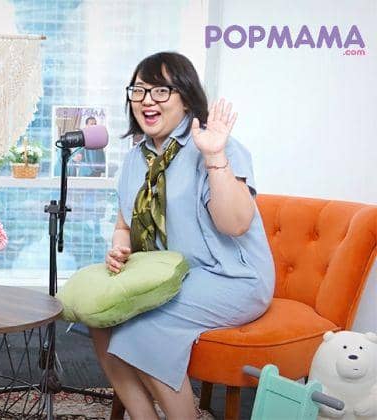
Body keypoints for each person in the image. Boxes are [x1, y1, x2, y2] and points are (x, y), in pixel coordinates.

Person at [90, 51, 274, 418]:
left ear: (186, 98)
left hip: (232, 278)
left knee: (142, 327)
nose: (147, 100)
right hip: (172, 276)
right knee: (99, 317)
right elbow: (124, 225)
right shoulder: (135, 159)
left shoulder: (218, 146)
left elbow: (235, 224)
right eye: (139, 90)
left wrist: (214, 156)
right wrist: (119, 249)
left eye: (161, 91)